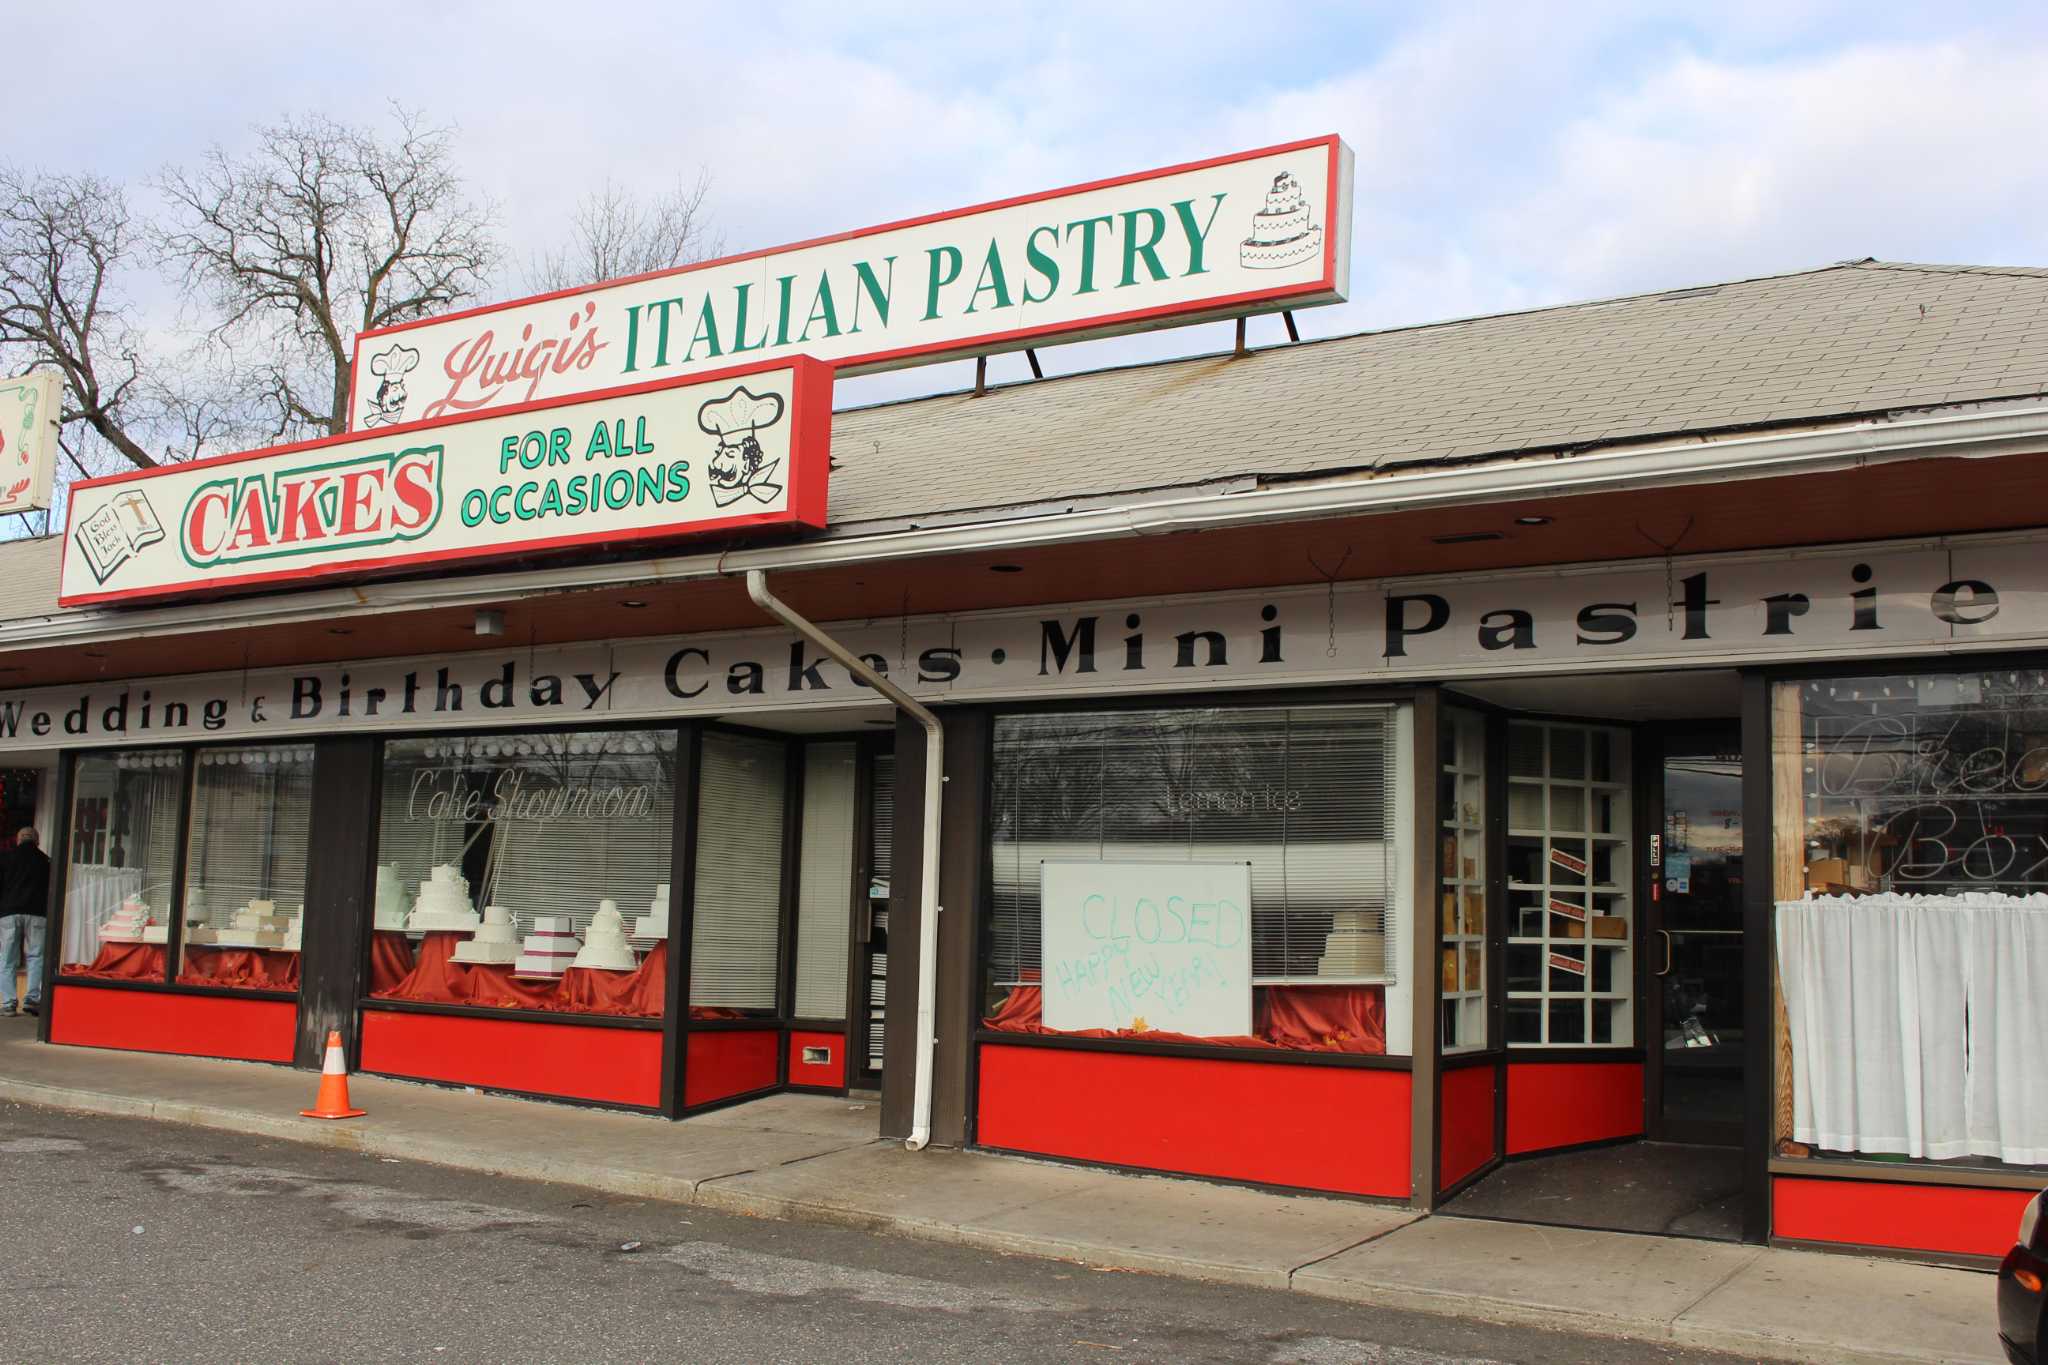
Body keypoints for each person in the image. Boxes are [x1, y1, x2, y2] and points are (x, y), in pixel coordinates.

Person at [0, 827, 51, 1017]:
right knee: (36, 956)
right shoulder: (45, 860)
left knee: (7, 958)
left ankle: (8, 1003)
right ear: (37, 841)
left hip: (9, 913)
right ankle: (31, 999)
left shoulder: (6, 857)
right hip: (37, 913)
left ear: (18, 839)